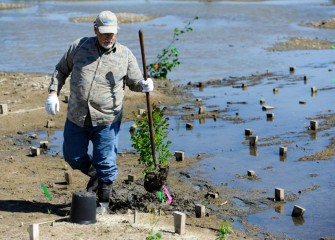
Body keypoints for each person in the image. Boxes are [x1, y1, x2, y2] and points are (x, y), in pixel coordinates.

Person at [45, 10, 154, 204]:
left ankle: (103, 204)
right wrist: (53, 93)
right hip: (77, 116)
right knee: (73, 156)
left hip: (107, 119)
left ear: (117, 32)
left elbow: (135, 82)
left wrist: (144, 85)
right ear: (95, 29)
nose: (108, 37)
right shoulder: (79, 47)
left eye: (112, 32)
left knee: (106, 162)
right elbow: (61, 70)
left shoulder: (125, 55)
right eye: (104, 32)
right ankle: (95, 176)